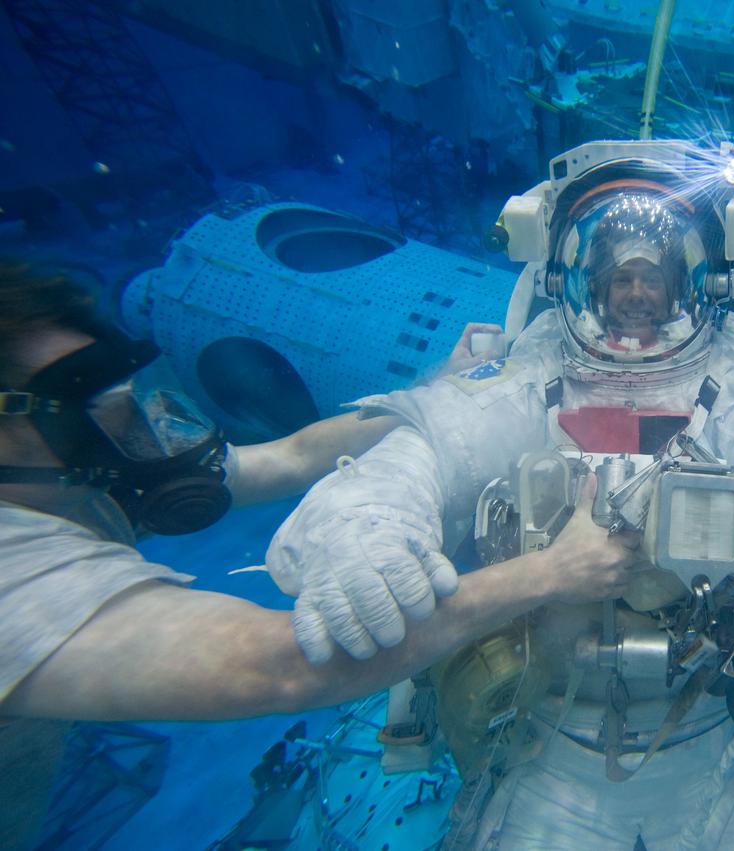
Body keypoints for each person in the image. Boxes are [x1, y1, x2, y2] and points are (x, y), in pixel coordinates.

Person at [265, 143, 734, 850]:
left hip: (726, 744)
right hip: (547, 748)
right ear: (580, 280)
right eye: (618, 274)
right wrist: (364, 532)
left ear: (695, 281)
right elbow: (412, 462)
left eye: (652, 274)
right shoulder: (524, 381)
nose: (635, 293)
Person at [0, 263, 641, 848]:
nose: (133, 431)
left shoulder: (81, 483)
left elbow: (290, 456)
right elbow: (283, 665)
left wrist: (435, 396)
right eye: (92, 411)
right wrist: (553, 572)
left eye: (124, 399)